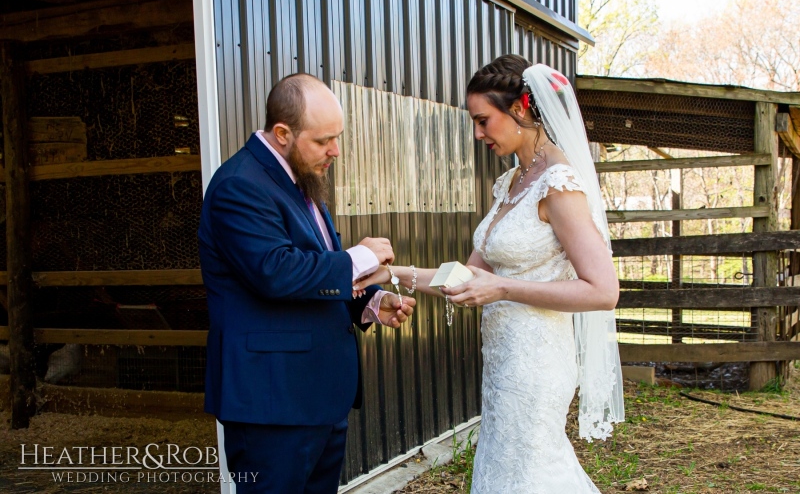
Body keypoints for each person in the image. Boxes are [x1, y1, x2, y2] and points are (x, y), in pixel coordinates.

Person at [354, 56, 624, 492]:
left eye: (483, 120)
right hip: (503, 361)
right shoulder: (513, 182)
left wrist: (501, 287)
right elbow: (462, 276)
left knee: (533, 474)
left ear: (520, 108)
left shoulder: (558, 184)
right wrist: (389, 273)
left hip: (537, 361)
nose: (477, 134)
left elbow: (603, 290)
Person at [198, 73, 415, 494]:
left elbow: (314, 271)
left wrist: (371, 301)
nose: (335, 150)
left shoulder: (301, 177)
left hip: (317, 398)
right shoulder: (239, 185)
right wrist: (361, 257)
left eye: (338, 137)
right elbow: (275, 271)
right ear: (282, 133)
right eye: (323, 140)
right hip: (272, 403)